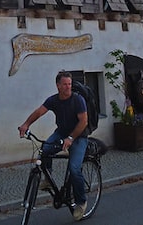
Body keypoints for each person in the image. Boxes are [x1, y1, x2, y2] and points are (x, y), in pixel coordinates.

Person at [18, 70, 88, 221]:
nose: (68, 87)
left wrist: (71, 138)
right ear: (58, 86)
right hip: (61, 133)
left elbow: (83, 122)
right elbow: (39, 112)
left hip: (79, 136)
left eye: (69, 84)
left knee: (74, 169)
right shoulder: (54, 100)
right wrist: (26, 124)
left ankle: (81, 203)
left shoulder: (78, 100)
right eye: (65, 84)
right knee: (44, 150)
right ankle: (48, 179)